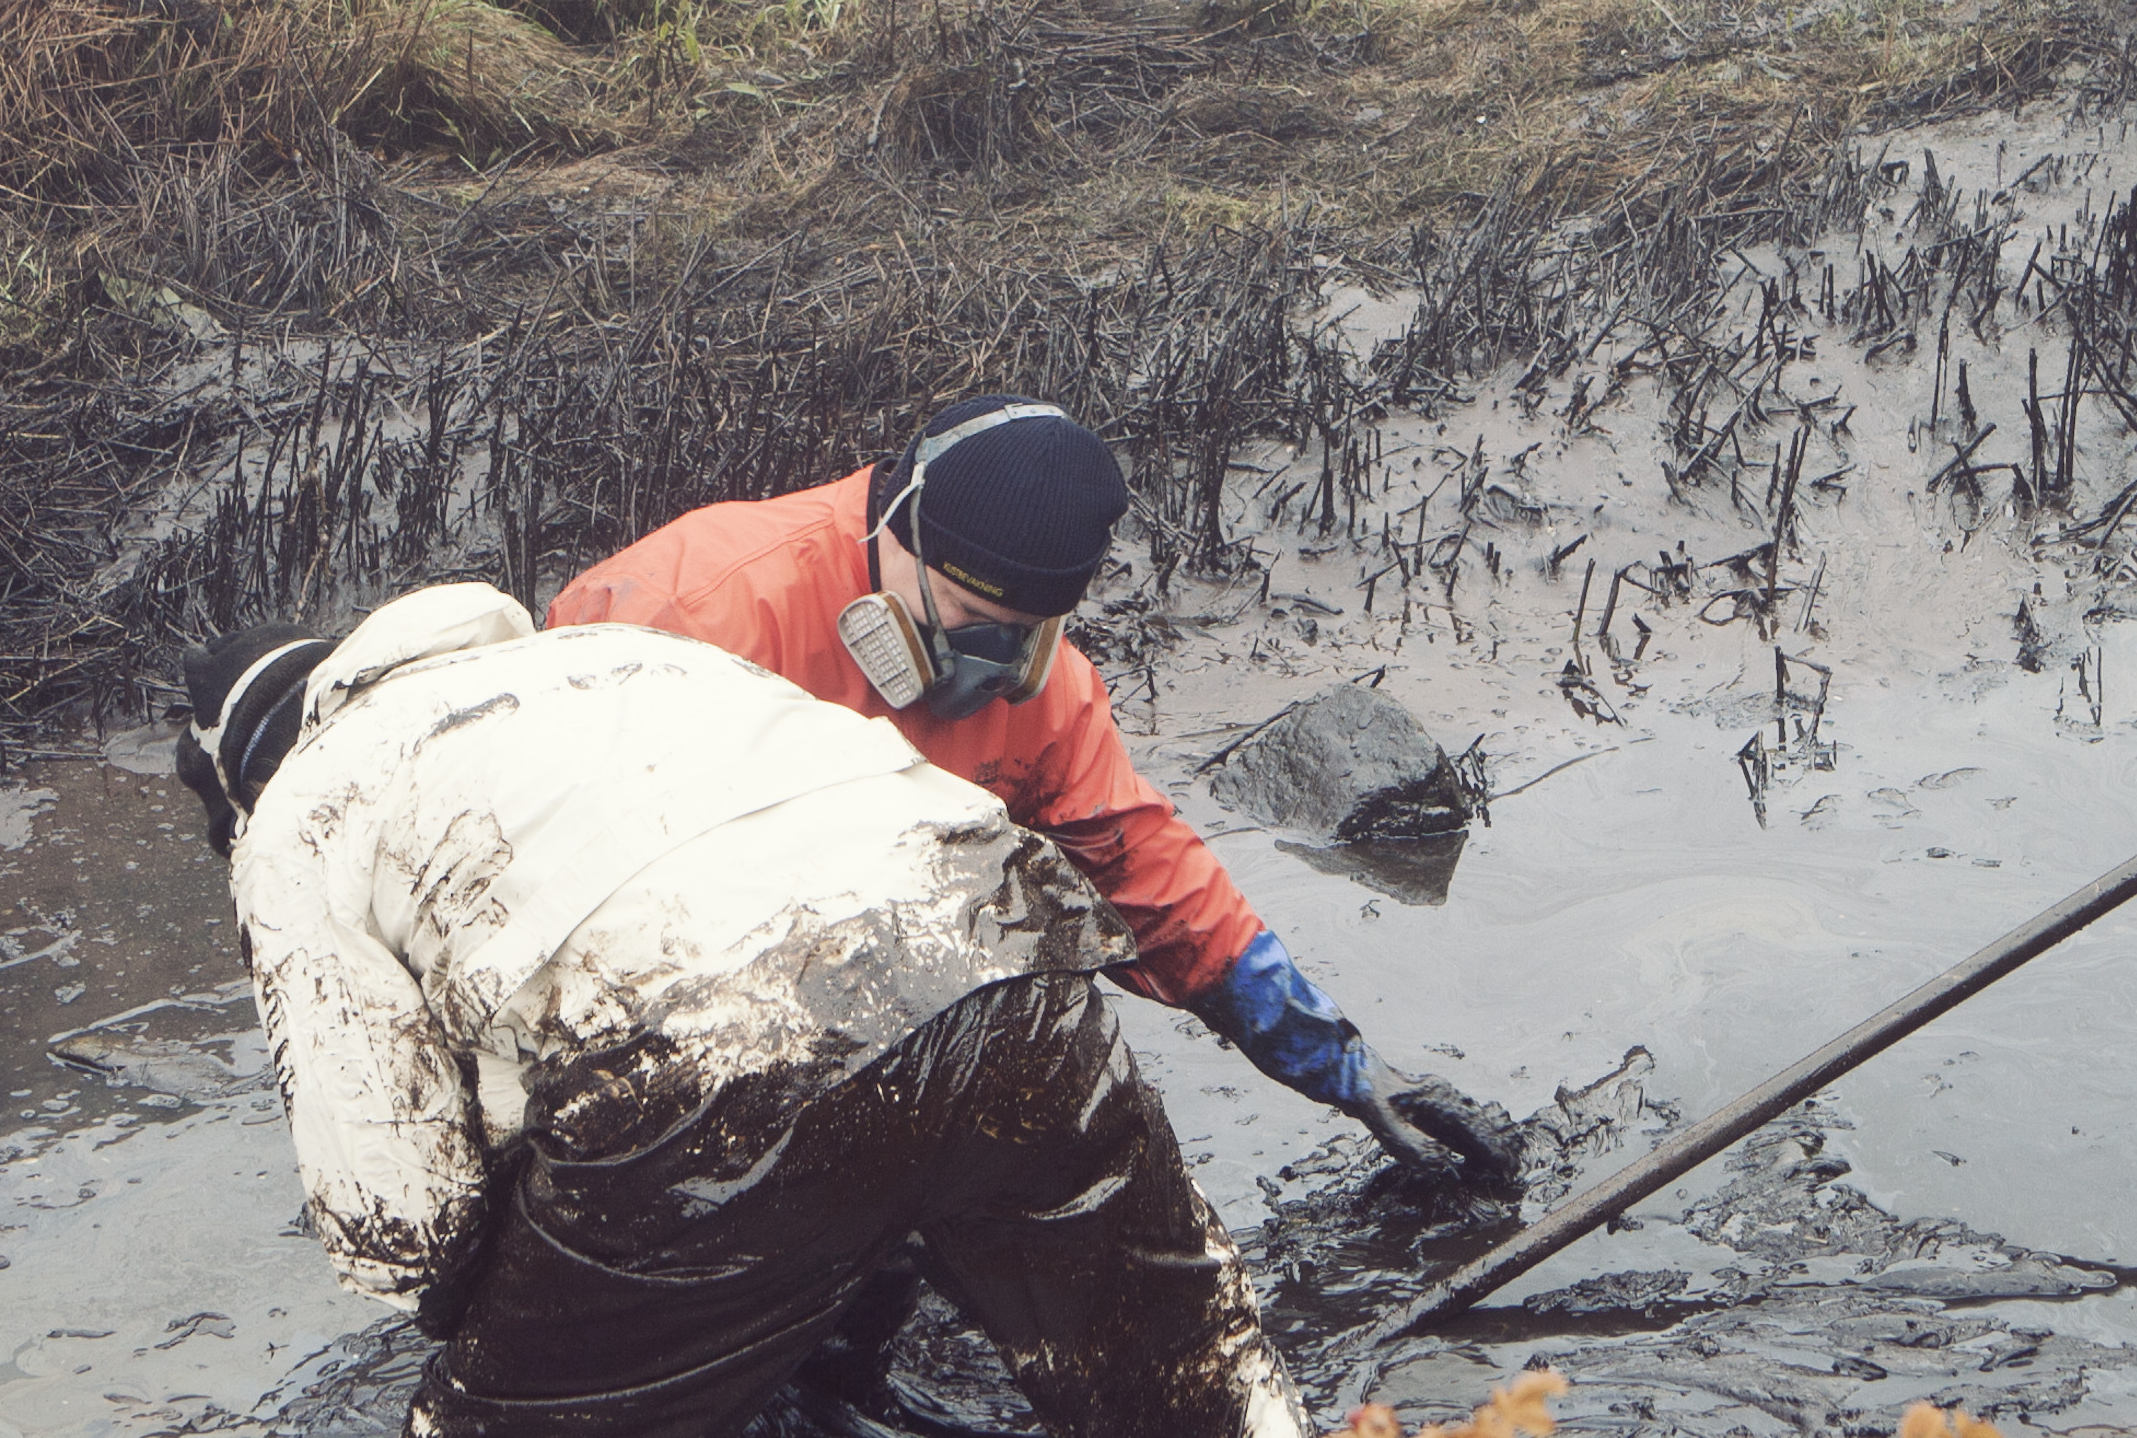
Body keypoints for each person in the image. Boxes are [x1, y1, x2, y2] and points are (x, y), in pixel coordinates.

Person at [165, 584, 1337, 1438]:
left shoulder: (303, 813)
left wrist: (539, 1332)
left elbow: (397, 1225)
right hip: (1005, 957)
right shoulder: (614, 659)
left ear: (245, 771)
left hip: (719, 1062)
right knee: (1202, 1422)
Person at [550, 393, 1522, 1178]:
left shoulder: (1043, 697)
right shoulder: (685, 611)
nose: (994, 661)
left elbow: (1152, 884)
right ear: (900, 528)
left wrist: (1349, 1070)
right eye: (970, 616)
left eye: (1024, 632)